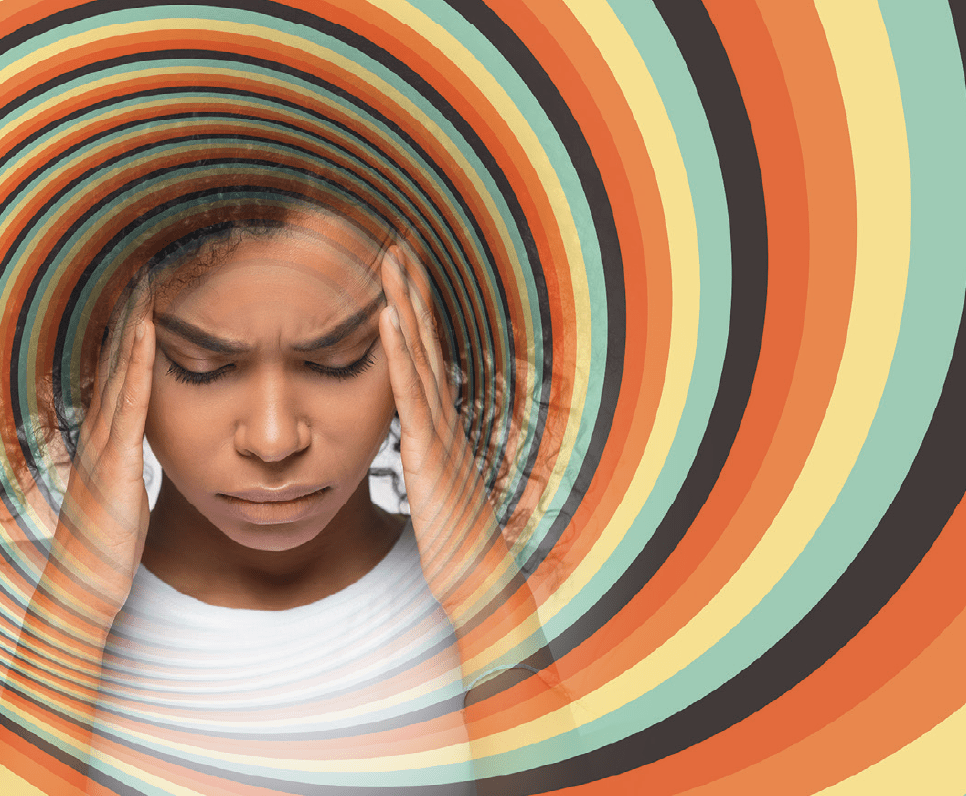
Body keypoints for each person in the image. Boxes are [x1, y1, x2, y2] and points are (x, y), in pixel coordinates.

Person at [2, 186, 564, 795]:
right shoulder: (20, 619)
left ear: (426, 339)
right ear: (104, 348)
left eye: (337, 361)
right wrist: (70, 617)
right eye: (202, 367)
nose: (273, 441)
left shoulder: (531, 613)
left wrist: (488, 603)